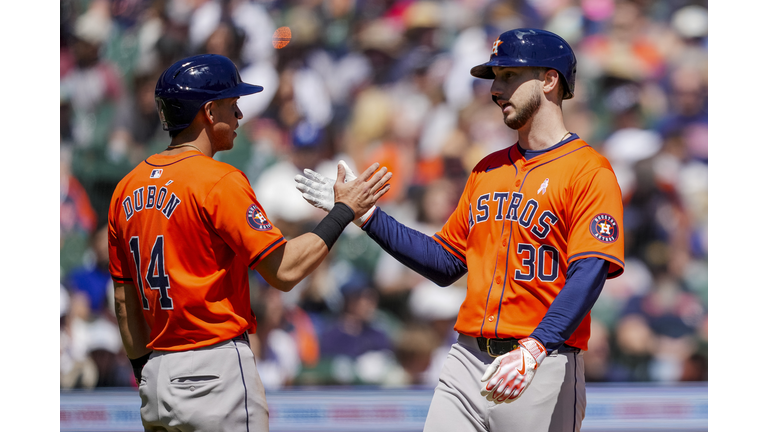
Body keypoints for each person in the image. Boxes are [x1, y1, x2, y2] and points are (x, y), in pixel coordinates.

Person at [295, 28, 625, 432]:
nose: (496, 90)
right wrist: (366, 216)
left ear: (549, 80)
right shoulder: (487, 169)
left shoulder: (589, 171)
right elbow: (445, 262)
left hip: (543, 362)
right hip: (466, 360)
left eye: (509, 76)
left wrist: (536, 347)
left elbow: (589, 272)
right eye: (495, 78)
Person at [108, 54, 391, 432]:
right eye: (233, 104)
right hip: (214, 370)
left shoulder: (125, 188)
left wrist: (145, 370)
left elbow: (124, 303)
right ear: (209, 111)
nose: (240, 115)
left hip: (157, 376)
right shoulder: (218, 180)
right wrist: (344, 211)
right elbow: (285, 270)